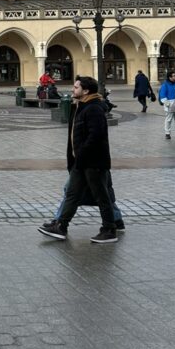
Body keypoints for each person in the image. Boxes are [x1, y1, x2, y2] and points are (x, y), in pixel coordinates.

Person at [38, 75, 118, 244]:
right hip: (81, 162)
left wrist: (81, 153)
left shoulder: (94, 108)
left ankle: (110, 229)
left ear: (86, 91)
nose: (72, 90)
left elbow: (96, 136)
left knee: (102, 196)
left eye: (76, 87)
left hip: (93, 162)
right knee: (72, 194)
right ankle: (61, 226)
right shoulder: (82, 106)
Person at [158, 70, 175, 140]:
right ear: (170, 77)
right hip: (169, 105)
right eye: (174, 76)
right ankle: (167, 133)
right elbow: (162, 95)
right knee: (168, 120)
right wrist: (167, 103)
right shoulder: (165, 85)